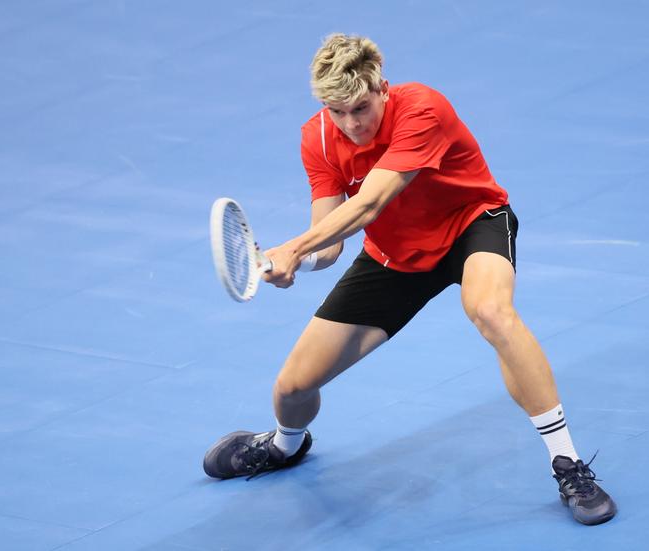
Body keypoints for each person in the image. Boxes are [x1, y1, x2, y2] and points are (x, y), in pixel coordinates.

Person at [202, 33, 617, 526]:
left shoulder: (421, 108)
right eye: (337, 112)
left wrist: (293, 246)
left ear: (381, 87)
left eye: (360, 107)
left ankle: (567, 463)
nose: (351, 124)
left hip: (471, 224)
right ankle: (283, 447)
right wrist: (290, 264)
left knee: (491, 312)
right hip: (394, 256)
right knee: (292, 388)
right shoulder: (316, 138)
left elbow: (371, 202)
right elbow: (330, 244)